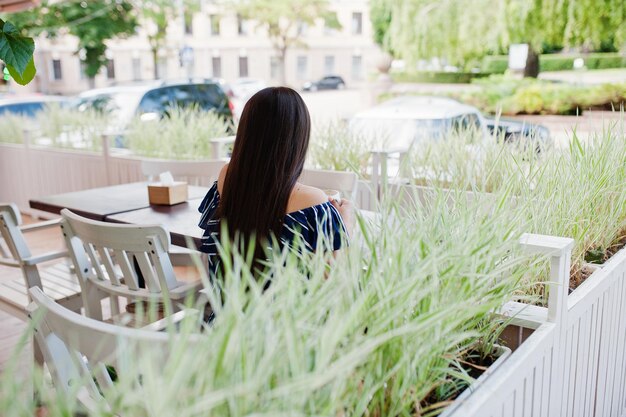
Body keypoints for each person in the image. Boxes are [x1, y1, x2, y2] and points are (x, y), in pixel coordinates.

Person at [197, 87, 354, 276]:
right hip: (282, 306)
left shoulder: (227, 176)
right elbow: (332, 279)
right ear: (297, 138)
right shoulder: (313, 202)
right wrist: (344, 224)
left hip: (228, 304)